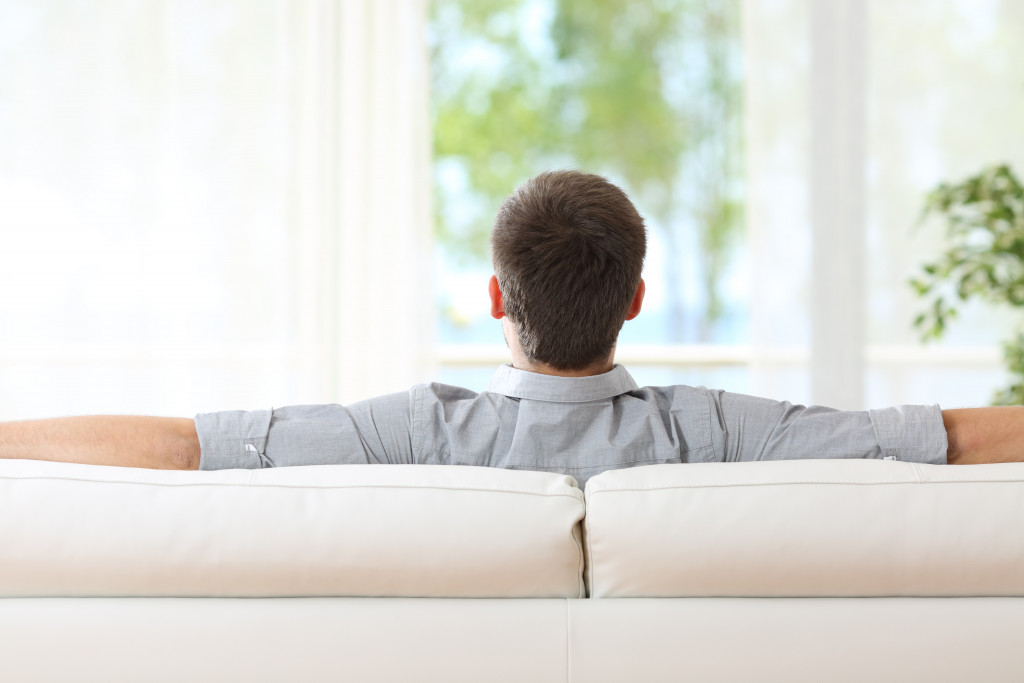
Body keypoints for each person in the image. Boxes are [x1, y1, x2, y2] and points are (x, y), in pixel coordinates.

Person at [0, 171, 1020, 484]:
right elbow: (938, 435)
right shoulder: (708, 430)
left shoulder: (415, 432)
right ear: (636, 295)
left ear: (494, 297)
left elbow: (187, 449)